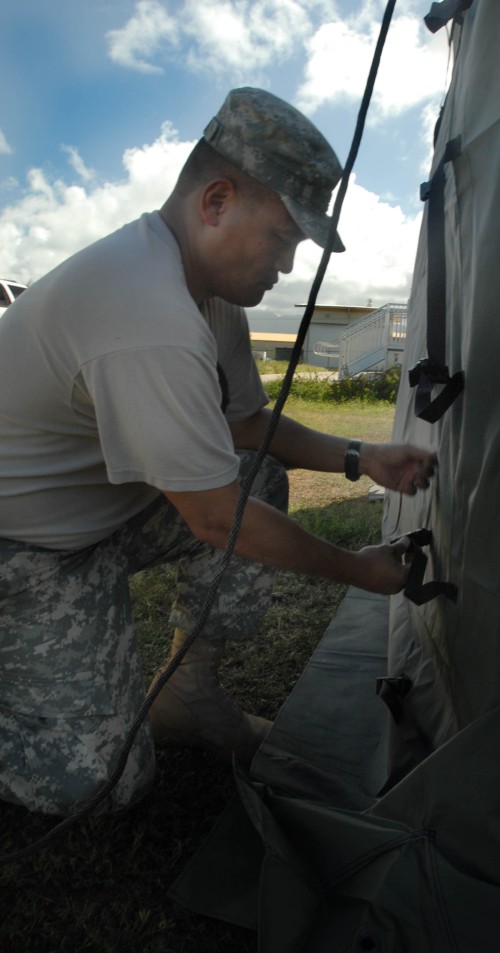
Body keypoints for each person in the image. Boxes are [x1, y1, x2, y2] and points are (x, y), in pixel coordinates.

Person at [0, 87, 436, 816]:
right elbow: (213, 520)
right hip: (23, 551)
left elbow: (246, 426)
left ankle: (186, 692)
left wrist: (362, 456)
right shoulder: (146, 311)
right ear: (217, 202)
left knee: (256, 475)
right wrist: (363, 570)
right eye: (284, 238)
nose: (288, 266)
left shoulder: (208, 293)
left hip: (95, 521)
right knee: (99, 787)